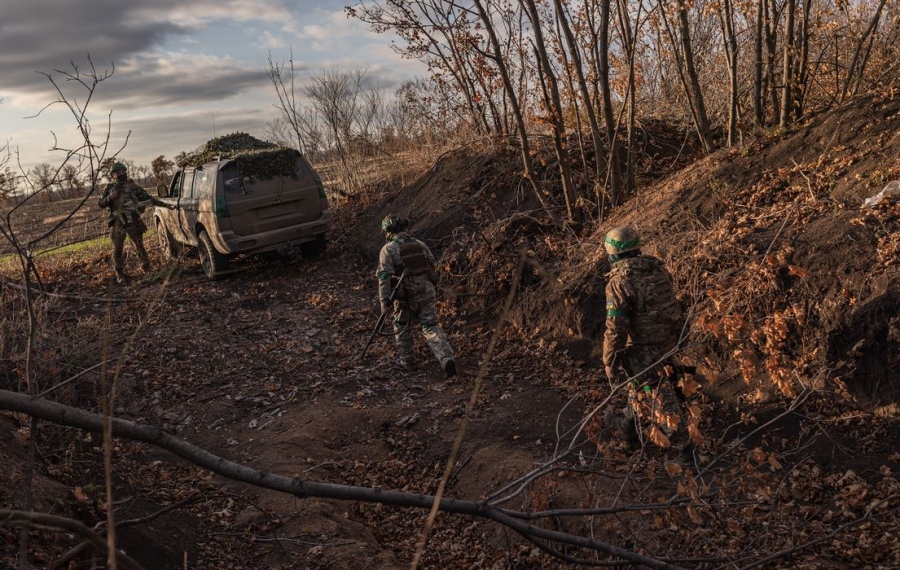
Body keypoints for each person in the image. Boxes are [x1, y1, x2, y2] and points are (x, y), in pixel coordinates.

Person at [600, 226, 695, 465]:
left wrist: (609, 360)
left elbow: (616, 327)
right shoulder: (657, 269)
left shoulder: (620, 281)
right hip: (670, 341)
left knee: (659, 398)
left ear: (612, 254)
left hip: (645, 349)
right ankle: (627, 427)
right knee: (641, 387)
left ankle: (686, 451)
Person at [376, 214, 456, 377]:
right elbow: (433, 268)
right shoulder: (420, 245)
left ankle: (408, 361)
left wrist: (384, 301)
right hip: (426, 291)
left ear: (388, 231)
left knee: (401, 325)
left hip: (404, 295)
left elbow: (384, 277)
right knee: (430, 326)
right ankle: (446, 358)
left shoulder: (388, 249)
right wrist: (434, 286)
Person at [98, 162, 173, 284]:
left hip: (133, 221)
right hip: (118, 223)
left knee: (140, 246)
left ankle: (147, 268)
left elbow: (148, 198)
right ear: (113, 175)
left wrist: (165, 205)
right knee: (117, 249)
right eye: (118, 173)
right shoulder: (109, 188)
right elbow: (101, 203)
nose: (121, 174)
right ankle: (120, 274)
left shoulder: (132, 187)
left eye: (123, 172)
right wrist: (110, 198)